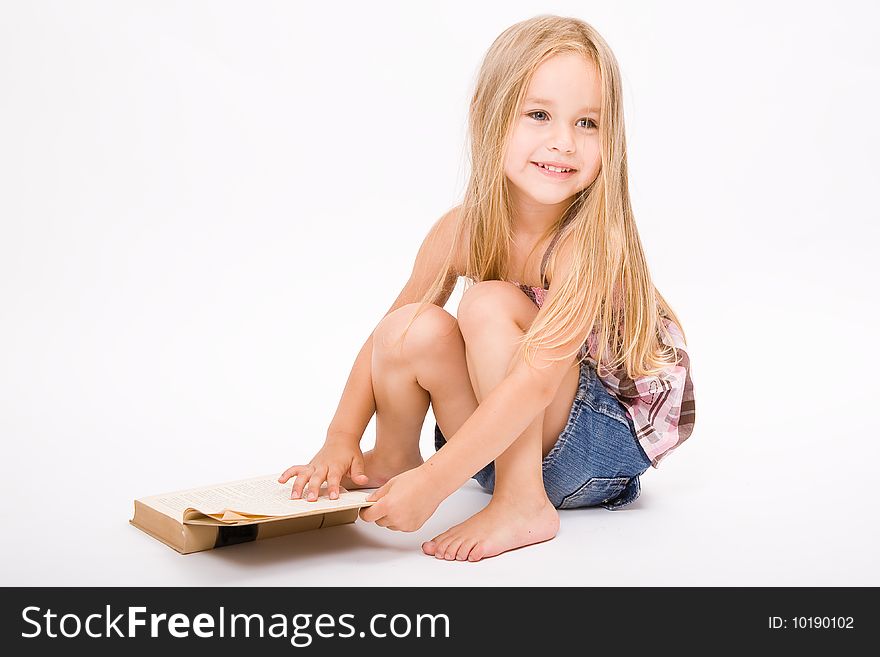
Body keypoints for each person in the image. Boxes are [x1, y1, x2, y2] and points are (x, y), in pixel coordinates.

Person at [278, 14, 696, 562]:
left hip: (596, 448)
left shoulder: (588, 245)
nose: (564, 142)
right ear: (489, 115)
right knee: (410, 327)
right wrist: (340, 440)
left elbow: (536, 384)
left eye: (588, 123)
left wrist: (435, 483)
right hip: (500, 443)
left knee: (489, 303)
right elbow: (382, 340)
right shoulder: (461, 229)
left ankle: (523, 503)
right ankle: (391, 457)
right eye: (539, 115)